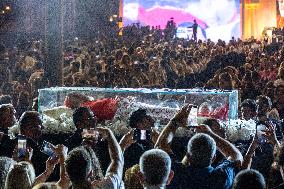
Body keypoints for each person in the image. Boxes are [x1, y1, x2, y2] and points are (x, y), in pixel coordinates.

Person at [155, 104, 243, 189]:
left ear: (188, 156)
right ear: (213, 158)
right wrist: (210, 133)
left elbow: (160, 145)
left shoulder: (175, 174)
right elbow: (236, 156)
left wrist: (174, 122)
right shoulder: (221, 178)